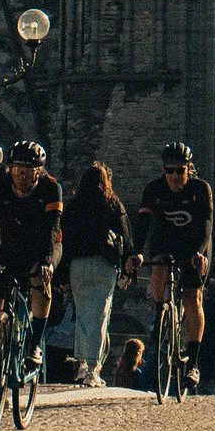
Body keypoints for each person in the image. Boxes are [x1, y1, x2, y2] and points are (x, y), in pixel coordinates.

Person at [0, 137, 63, 373]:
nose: (21, 175)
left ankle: (34, 346)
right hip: (10, 248)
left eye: (28, 171)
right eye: (17, 169)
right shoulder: (0, 186)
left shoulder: (51, 188)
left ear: (38, 171)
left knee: (41, 283)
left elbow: (52, 228)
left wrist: (45, 261)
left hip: (43, 247)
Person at [133, 143, 215, 389]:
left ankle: (193, 362)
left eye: (180, 171)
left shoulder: (201, 190)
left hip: (193, 244)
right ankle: (161, 313)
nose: (175, 177)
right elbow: (143, 224)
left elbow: (206, 225)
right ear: (163, 170)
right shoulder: (154, 189)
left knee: (192, 298)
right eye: (170, 171)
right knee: (157, 266)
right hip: (165, 240)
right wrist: (136, 252)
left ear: (188, 169)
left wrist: (199, 253)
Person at [62, 163, 129, 384]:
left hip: (78, 265)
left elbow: (66, 240)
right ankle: (93, 367)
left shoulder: (73, 207)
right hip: (103, 264)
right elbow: (125, 235)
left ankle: (81, 364)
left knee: (82, 315)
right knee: (100, 316)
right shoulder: (112, 204)